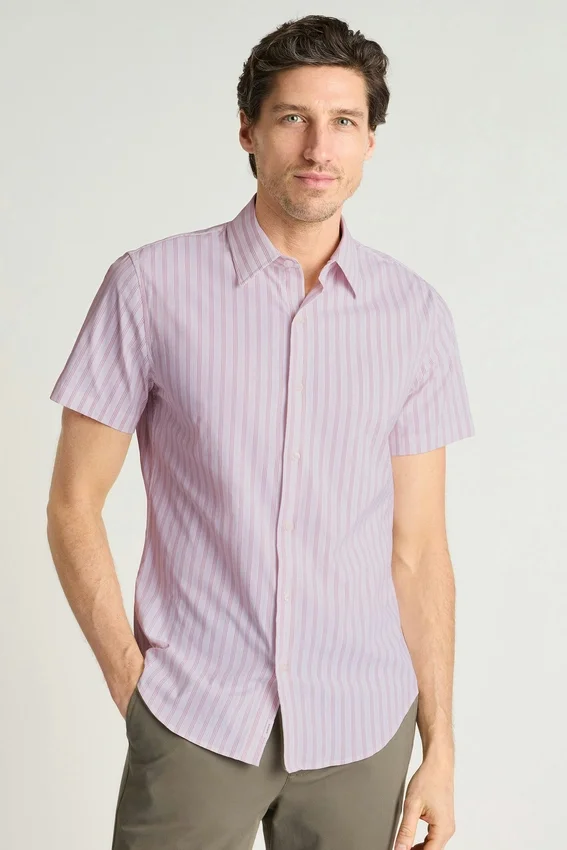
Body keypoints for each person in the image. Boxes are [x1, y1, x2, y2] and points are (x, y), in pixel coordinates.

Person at [46, 13, 474, 850]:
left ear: (369, 142)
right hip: (194, 719)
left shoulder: (415, 315)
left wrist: (441, 750)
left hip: (362, 730)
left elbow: (419, 548)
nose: (318, 147)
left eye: (343, 121)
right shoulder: (149, 288)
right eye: (292, 118)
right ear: (247, 130)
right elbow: (72, 504)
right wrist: (133, 686)